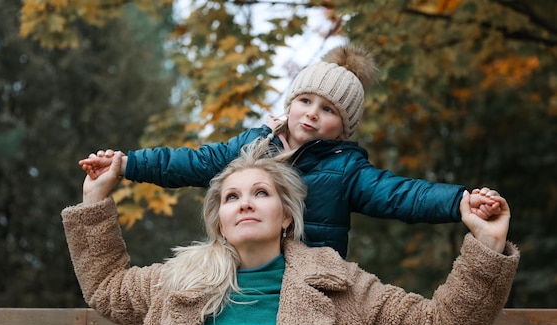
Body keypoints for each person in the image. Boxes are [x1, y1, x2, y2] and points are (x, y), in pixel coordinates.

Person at [62, 139, 519, 325]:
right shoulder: (180, 282)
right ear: (219, 220)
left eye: (261, 193)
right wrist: (94, 201)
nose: (244, 203)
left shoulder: (337, 285)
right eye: (232, 197)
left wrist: (486, 247)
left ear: (286, 218)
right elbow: (106, 286)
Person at [78, 41, 501, 259]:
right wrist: (128, 162)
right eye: (305, 101)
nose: (312, 114)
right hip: (248, 271)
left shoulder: (346, 169)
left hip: (309, 283)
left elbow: (402, 195)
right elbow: (192, 162)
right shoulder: (252, 145)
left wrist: (460, 201)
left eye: (328, 109)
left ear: (344, 127)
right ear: (290, 103)